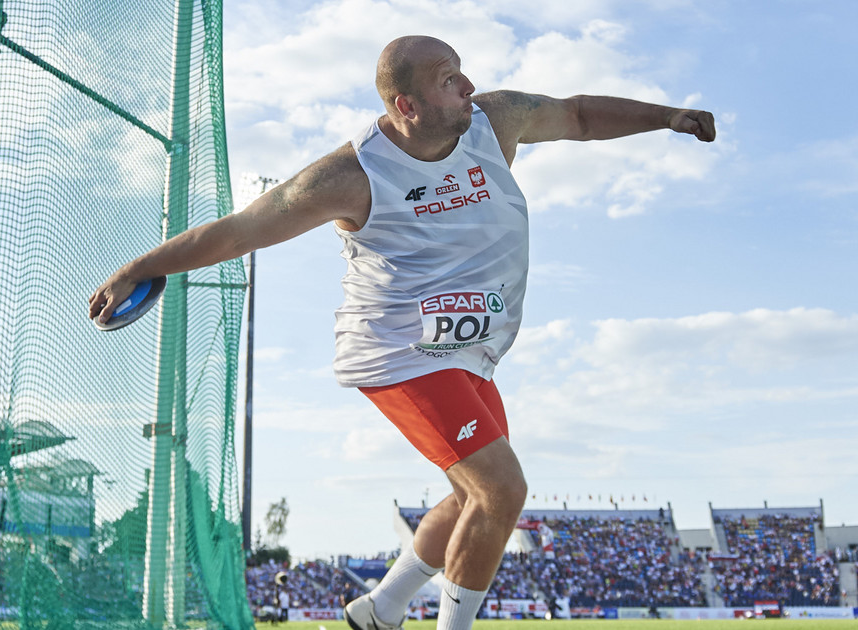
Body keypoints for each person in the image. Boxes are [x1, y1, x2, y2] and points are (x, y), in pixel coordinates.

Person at [89, 35, 715, 630]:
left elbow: (577, 114)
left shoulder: (494, 122)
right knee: (500, 490)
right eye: (450, 80)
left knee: (471, 495)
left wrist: (670, 115)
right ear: (406, 105)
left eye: (463, 72)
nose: (469, 86)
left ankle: (382, 608)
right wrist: (140, 267)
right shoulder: (349, 176)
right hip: (399, 351)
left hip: (469, 351)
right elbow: (244, 229)